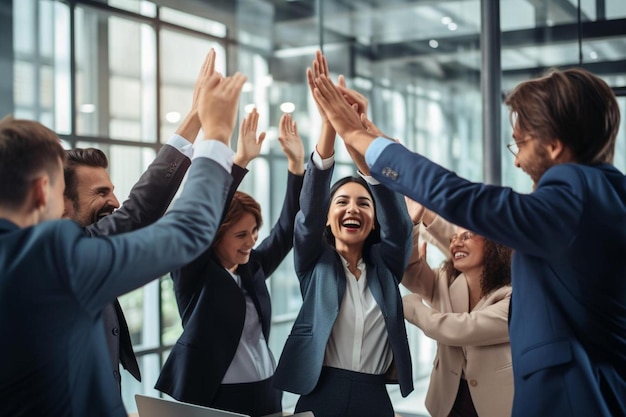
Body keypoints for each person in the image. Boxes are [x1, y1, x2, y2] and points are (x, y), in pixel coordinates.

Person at [311, 58, 626, 417]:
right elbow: (471, 235)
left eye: (520, 144)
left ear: (554, 145)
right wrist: (373, 144)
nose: (518, 162)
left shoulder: (576, 194)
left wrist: (360, 138)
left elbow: (468, 202)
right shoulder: (603, 196)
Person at [0, 67, 247, 416]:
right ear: (43, 191)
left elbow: (136, 213)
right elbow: (187, 230)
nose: (114, 202)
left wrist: (194, 119)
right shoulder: (51, 258)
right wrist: (217, 135)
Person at [60, 50, 213, 388]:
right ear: (60, 201)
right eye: (101, 193)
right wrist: (199, 121)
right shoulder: (63, 254)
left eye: (112, 190)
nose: (114, 201)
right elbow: (139, 211)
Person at [273, 51, 414, 417]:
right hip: (321, 391)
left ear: (373, 218)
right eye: (343, 203)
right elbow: (309, 211)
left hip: (373, 395)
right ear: (328, 218)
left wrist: (362, 145)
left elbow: (399, 224)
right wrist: (330, 125)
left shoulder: (386, 263)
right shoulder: (313, 259)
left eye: (363, 204)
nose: (352, 209)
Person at [155, 111, 305, 417]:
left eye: (253, 232)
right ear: (216, 235)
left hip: (266, 388)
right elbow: (205, 220)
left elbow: (287, 230)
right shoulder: (193, 272)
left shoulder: (252, 267)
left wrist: (296, 167)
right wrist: (240, 164)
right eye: (240, 234)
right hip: (216, 394)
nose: (251, 241)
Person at [402, 199, 513, 417]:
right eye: (453, 239)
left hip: (497, 404)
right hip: (448, 401)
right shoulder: (445, 279)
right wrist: (413, 224)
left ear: (494, 244)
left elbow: (458, 329)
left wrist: (412, 306)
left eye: (467, 236)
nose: (455, 243)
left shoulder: (514, 297)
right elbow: (409, 271)